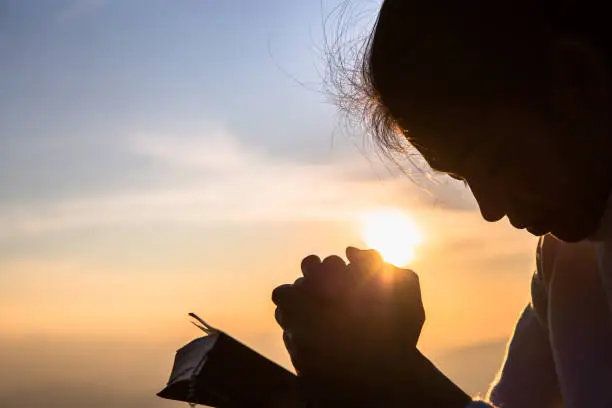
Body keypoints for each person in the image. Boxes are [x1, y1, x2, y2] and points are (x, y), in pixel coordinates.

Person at [272, 1, 612, 407]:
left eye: (497, 160)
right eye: (461, 177)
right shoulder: (567, 259)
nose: (490, 209)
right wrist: (358, 371)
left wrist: (393, 372)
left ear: (578, 78)